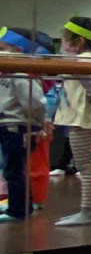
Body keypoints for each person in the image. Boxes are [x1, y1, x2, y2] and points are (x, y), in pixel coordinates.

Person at [53, 17, 91, 227]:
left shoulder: (85, 60)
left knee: (87, 167)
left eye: (65, 37)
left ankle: (89, 211)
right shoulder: (90, 58)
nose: (63, 42)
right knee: (87, 166)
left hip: (84, 120)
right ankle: (89, 209)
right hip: (82, 119)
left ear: (79, 41)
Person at [0, 27, 47, 224]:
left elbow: (36, 104)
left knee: (14, 170)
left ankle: (18, 210)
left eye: (2, 48)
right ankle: (19, 205)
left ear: (17, 51)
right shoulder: (6, 73)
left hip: (17, 127)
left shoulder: (20, 76)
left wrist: (37, 124)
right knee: (12, 169)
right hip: (8, 125)